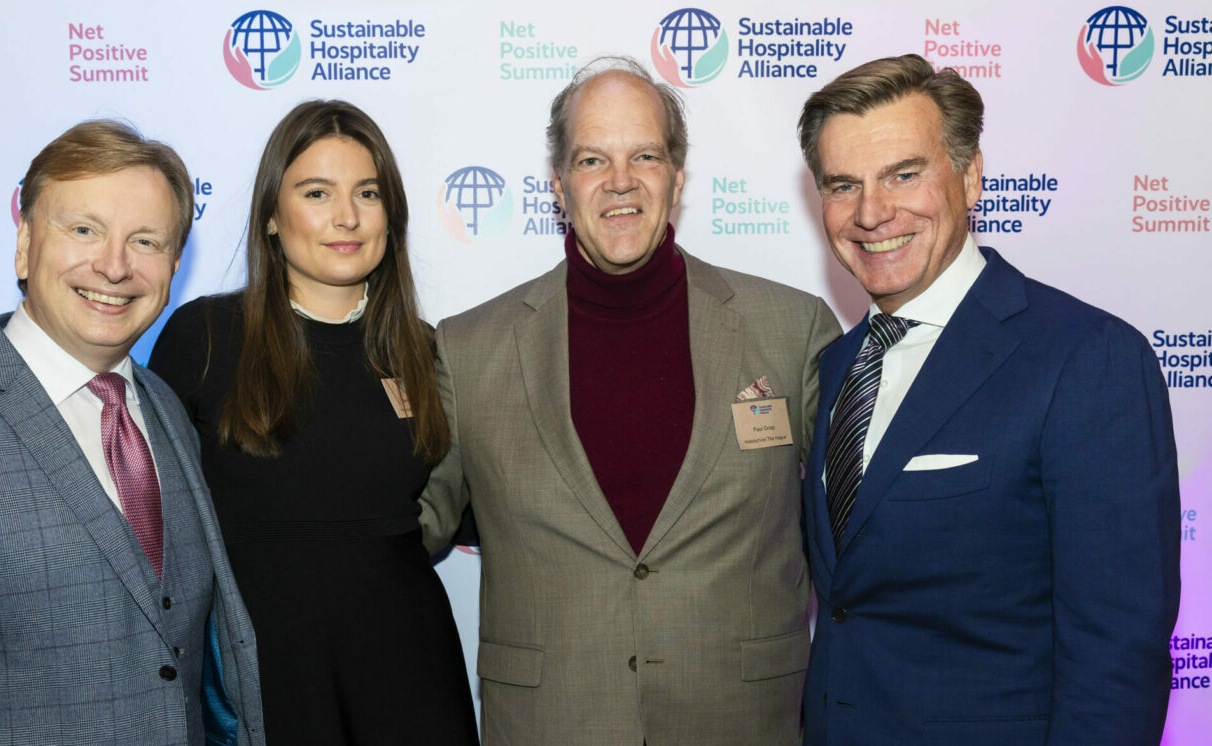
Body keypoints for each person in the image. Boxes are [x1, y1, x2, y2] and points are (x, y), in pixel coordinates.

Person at [418, 56, 842, 745]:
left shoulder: (791, 330)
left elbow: (858, 532)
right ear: (558, 185)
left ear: (677, 176)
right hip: (552, 723)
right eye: (592, 160)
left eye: (645, 155)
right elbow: (406, 531)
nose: (620, 181)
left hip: (740, 722)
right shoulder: (470, 350)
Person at [0, 120, 263, 744]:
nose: (114, 266)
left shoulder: (166, 407)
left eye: (145, 240)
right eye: (83, 230)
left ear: (173, 263)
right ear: (25, 245)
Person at [796, 54, 1180, 745]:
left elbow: (1117, 654)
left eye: (903, 174)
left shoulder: (1084, 358)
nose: (871, 212)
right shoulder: (837, 365)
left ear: (970, 175)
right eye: (842, 184)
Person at [148, 100, 478, 745]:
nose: (346, 216)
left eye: (367, 193)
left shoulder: (425, 348)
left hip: (411, 671)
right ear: (272, 216)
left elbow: (465, 505)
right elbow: (155, 524)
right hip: (263, 671)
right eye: (317, 192)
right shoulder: (205, 337)